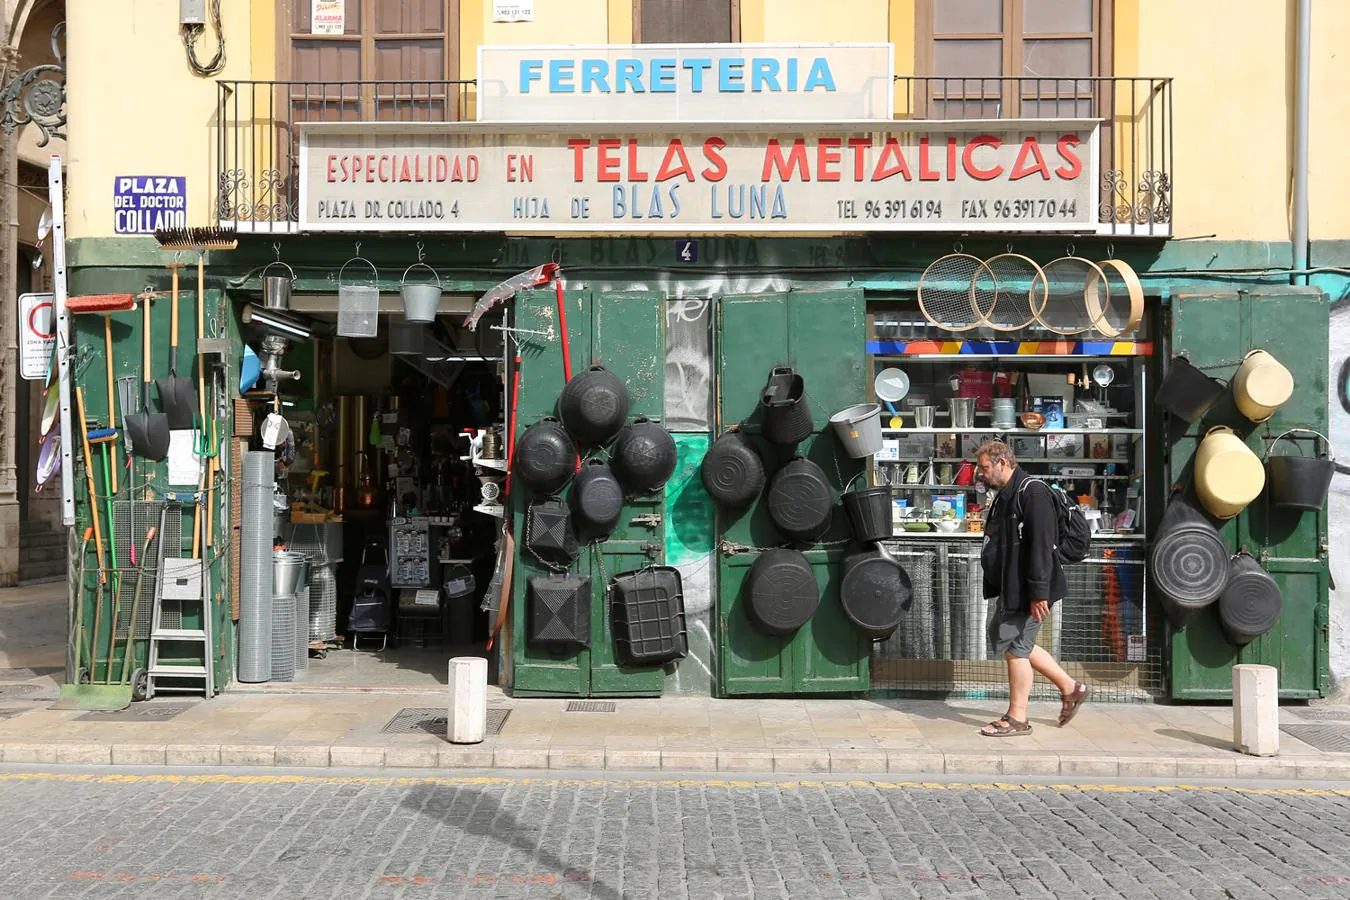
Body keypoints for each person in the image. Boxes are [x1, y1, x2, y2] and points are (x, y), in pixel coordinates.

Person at [974, 440, 1088, 737]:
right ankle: (1070, 688)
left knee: (1016, 648)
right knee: (1011, 641)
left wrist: (1039, 592)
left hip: (1031, 588)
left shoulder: (1032, 492)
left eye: (984, 468)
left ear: (1002, 463)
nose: (980, 474)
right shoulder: (1008, 493)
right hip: (1017, 584)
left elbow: (1041, 546)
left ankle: (1017, 718)